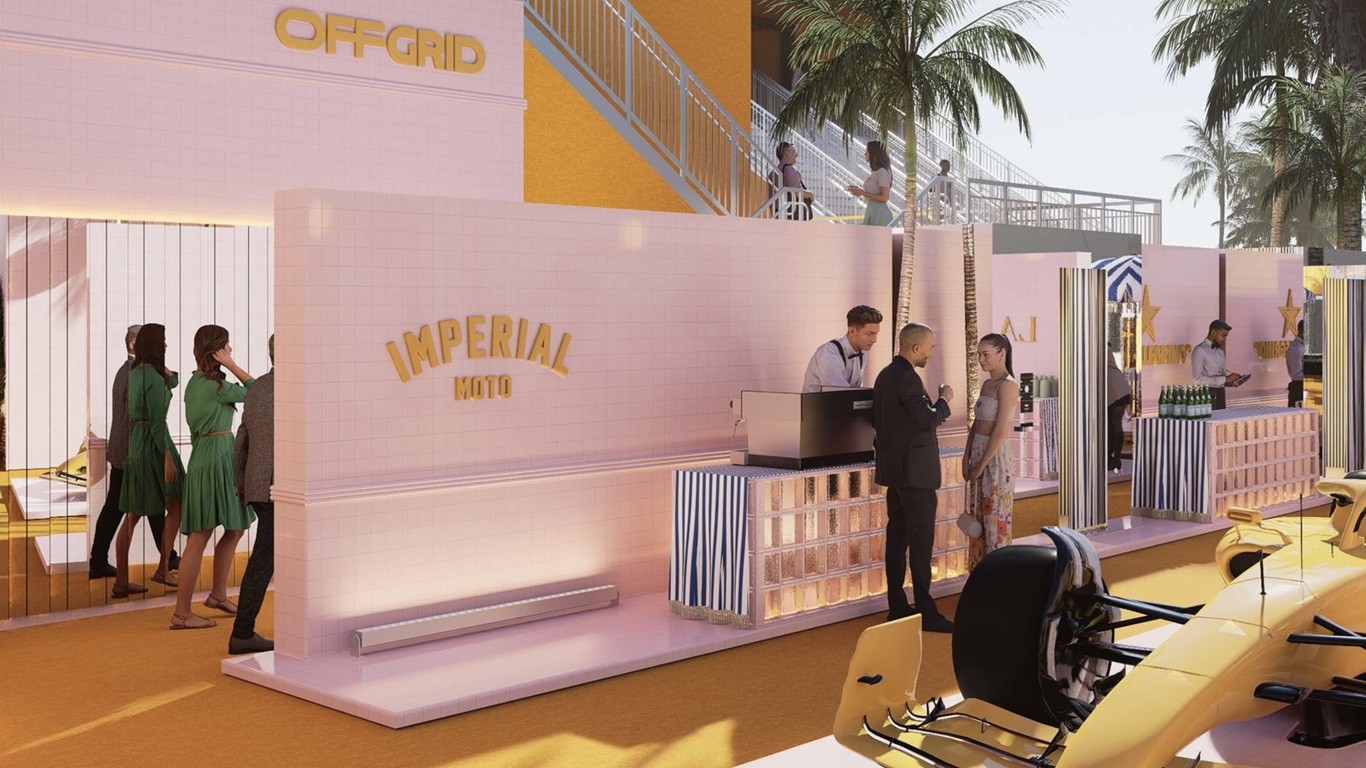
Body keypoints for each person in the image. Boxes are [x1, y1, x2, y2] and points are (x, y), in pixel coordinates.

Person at [172, 325, 255, 630]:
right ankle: (181, 613)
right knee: (200, 537)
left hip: (208, 459)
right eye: (226, 346)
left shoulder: (196, 383)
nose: (230, 350)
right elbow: (258, 392)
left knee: (235, 527)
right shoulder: (214, 387)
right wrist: (232, 365)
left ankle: (218, 594)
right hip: (216, 461)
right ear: (217, 351)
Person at [873, 322, 954, 633]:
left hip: (895, 472)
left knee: (897, 540)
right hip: (915, 476)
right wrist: (944, 399)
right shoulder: (908, 377)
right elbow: (927, 419)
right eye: (930, 348)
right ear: (916, 347)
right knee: (921, 542)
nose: (931, 354)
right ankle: (926, 612)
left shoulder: (885, 375)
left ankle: (897, 606)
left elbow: (879, 421)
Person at [90, 325, 177, 579]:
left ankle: (166, 558)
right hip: (132, 450)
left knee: (134, 506)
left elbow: (173, 380)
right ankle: (101, 561)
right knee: (129, 507)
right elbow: (140, 417)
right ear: (133, 345)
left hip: (126, 449)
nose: (163, 346)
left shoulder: (129, 370)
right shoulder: (135, 373)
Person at [113, 323, 184, 597]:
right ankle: (163, 569)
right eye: (162, 341)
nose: (165, 345)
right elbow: (157, 423)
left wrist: (159, 366)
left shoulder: (134, 373)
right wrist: (167, 457)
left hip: (137, 444)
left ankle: (122, 580)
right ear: (154, 345)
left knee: (132, 515)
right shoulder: (153, 378)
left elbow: (174, 381)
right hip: (155, 445)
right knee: (175, 505)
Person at [230, 334, 275, 654]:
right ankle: (242, 632)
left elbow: (242, 437)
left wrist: (240, 479)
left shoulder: (257, 387)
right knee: (264, 558)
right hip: (282, 488)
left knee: (272, 555)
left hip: (258, 484)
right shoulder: (299, 388)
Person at [964, 333, 1018, 571]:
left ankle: (998, 576)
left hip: (995, 459)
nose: (981, 360)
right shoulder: (987, 384)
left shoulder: (1008, 386)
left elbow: (999, 432)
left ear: (1001, 354)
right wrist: (966, 457)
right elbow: (976, 424)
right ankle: (979, 573)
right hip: (978, 454)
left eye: (986, 354)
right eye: (979, 354)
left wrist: (980, 466)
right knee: (977, 520)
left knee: (995, 519)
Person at [802, 305, 882, 392]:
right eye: (869, 334)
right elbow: (840, 393)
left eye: (876, 334)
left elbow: (854, 391)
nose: (874, 340)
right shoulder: (828, 354)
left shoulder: (863, 351)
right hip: (819, 401)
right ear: (852, 331)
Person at [1191, 319, 1241, 411]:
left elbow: (1221, 378)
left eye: (1226, 336)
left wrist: (1234, 381)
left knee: (1223, 419)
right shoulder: (1199, 350)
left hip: (1221, 395)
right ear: (1213, 332)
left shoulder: (1220, 352)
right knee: (1209, 420)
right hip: (1206, 396)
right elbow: (1197, 380)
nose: (1225, 339)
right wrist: (1225, 379)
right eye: (1223, 335)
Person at [847, 140, 892, 226]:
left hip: (879, 214)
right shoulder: (875, 172)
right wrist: (859, 191)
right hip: (872, 210)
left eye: (867, 151)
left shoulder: (882, 172)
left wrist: (863, 193)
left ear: (873, 153)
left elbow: (884, 197)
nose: (865, 154)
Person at [769, 141, 813, 220]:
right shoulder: (789, 169)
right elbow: (795, 192)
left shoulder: (773, 172)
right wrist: (810, 195)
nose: (796, 155)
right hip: (791, 214)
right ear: (786, 154)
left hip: (777, 213)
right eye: (794, 152)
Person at [1106, 344, 1132, 471]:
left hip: (1118, 391)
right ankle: (1109, 458)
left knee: (1115, 425)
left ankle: (1116, 459)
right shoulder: (1102, 346)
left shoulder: (1101, 347)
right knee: (1110, 426)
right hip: (1115, 390)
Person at [1286, 320, 1305, 407]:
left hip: (1305, 389)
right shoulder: (1296, 348)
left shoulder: (1304, 346)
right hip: (1298, 390)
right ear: (1301, 331)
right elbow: (1296, 375)